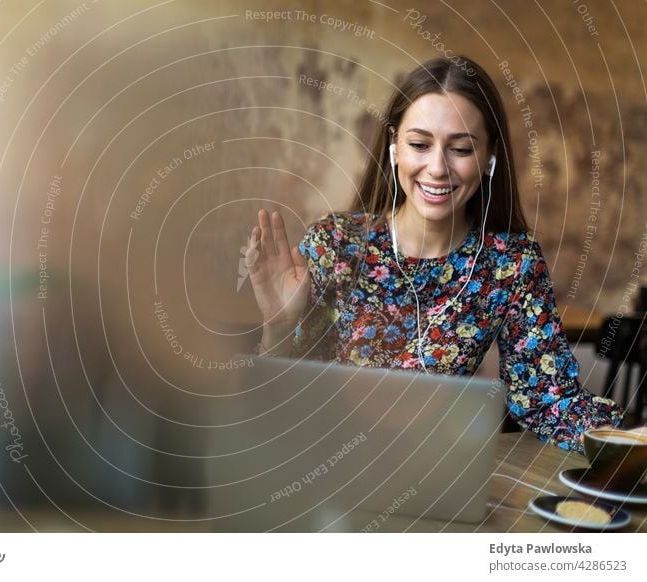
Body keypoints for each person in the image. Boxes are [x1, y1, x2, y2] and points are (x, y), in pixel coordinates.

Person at [246, 55, 622, 452]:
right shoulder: (334, 245)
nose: (437, 168)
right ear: (394, 148)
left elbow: (550, 402)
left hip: (429, 480)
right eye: (419, 144)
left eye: (460, 148)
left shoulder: (510, 265)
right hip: (317, 473)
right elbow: (271, 408)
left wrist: (629, 441)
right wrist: (279, 326)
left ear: (489, 157)